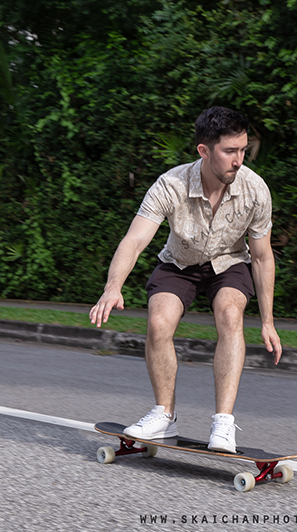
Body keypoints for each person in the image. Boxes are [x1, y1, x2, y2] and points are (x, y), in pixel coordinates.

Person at [89, 107, 281, 453]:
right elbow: (134, 240)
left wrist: (267, 320)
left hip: (229, 263)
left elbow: (263, 257)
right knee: (159, 321)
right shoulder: (171, 184)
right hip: (181, 262)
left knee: (230, 313)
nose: (239, 160)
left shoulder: (255, 190)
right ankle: (164, 414)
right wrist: (112, 287)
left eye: (243, 149)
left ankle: (223, 423)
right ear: (204, 151)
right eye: (229, 151)